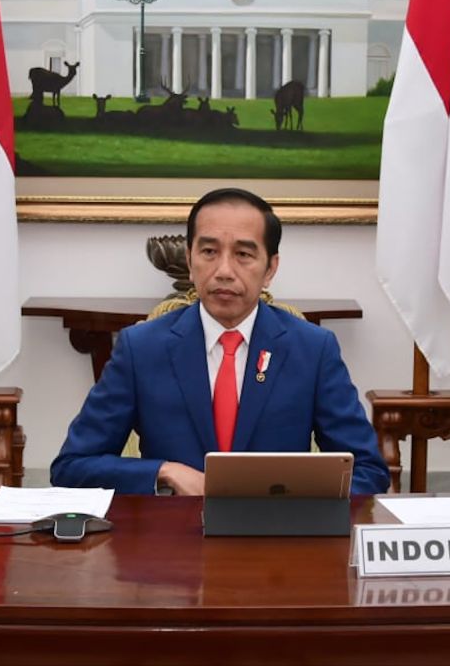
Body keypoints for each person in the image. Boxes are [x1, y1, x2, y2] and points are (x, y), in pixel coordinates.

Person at [50, 187, 390, 496]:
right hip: (172, 546)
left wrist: (288, 496)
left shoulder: (312, 349)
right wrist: (163, 472)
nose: (224, 270)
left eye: (243, 254)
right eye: (209, 251)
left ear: (270, 268)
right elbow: (72, 467)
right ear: (189, 259)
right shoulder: (141, 348)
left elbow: (368, 472)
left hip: (280, 547)